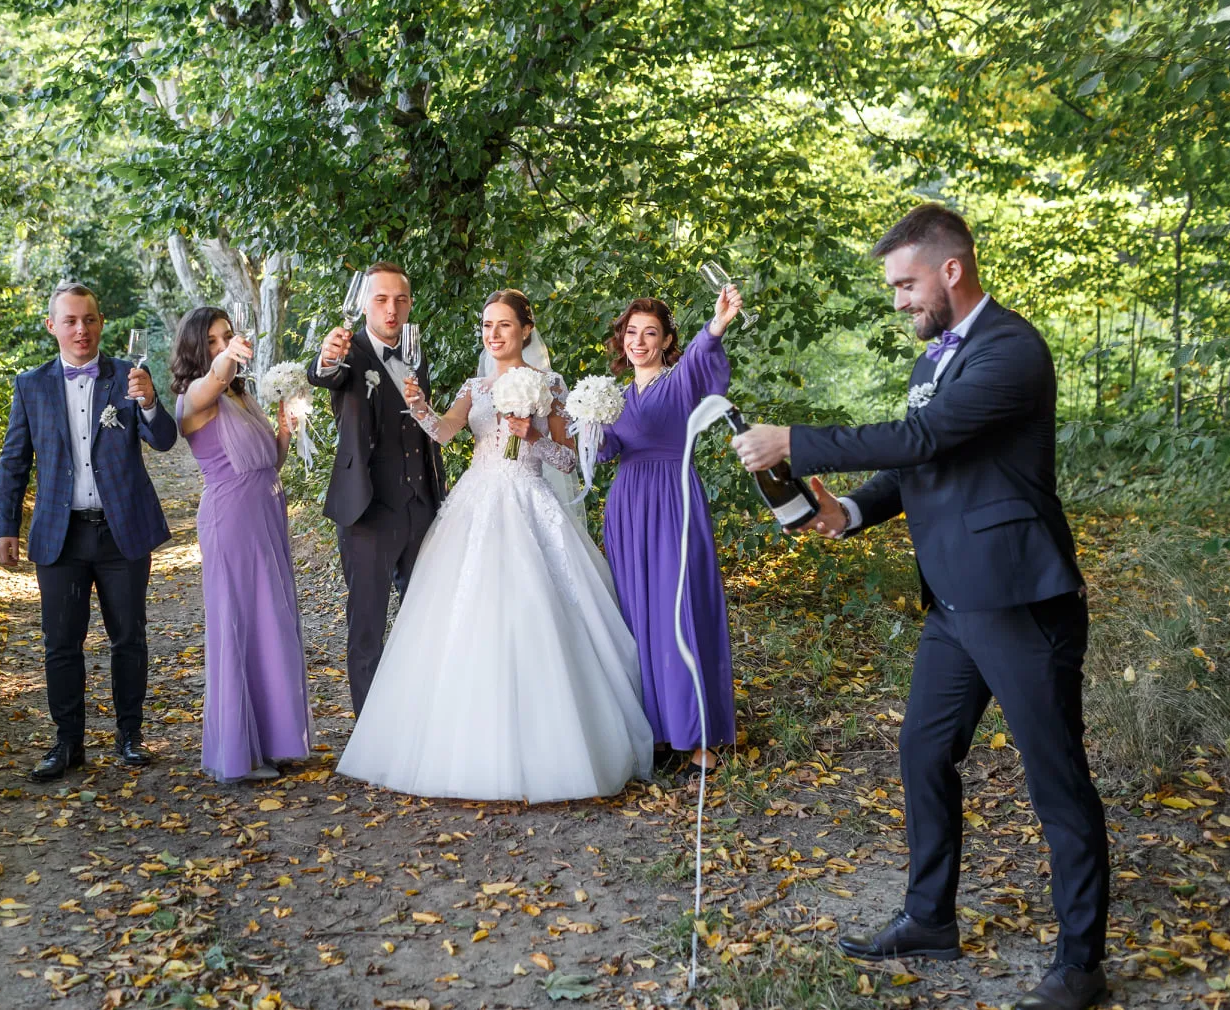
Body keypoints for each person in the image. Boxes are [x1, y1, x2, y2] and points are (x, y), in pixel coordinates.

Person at [732, 204, 1108, 1010]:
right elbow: (916, 466)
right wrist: (849, 511)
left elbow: (923, 439)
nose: (898, 300)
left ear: (951, 269)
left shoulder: (1010, 349)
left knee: (1056, 781)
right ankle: (929, 918)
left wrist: (794, 439)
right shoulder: (935, 359)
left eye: (905, 284)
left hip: (1019, 600)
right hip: (953, 604)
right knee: (923, 752)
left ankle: (1080, 964)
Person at [335, 289, 654, 802]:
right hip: (475, 503)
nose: (494, 334)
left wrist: (532, 437)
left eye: (504, 324)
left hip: (530, 500)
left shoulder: (551, 384)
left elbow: (567, 460)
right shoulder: (474, 386)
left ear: (526, 330)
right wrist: (420, 408)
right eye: (487, 325)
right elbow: (445, 433)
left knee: (536, 612)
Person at [0, 282, 178, 781]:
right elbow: (14, 460)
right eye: (71, 321)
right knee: (60, 642)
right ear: (51, 326)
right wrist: (6, 526)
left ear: (101, 323)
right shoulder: (30, 385)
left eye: (90, 319)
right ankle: (68, 742)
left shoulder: (128, 376)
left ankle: (130, 735)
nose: (82, 329)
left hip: (122, 532)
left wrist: (149, 402)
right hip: (60, 535)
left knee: (129, 637)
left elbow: (164, 440)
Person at [597, 291, 746, 778]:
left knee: (679, 608)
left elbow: (703, 358)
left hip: (673, 498)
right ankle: (655, 730)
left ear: (665, 341)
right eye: (632, 332)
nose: (639, 341)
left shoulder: (679, 381)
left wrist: (717, 323)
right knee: (636, 613)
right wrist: (588, 428)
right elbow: (605, 451)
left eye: (651, 333)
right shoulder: (615, 396)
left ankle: (698, 733)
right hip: (628, 505)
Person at [170, 306, 313, 783]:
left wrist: (285, 428)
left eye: (227, 336)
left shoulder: (241, 396)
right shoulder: (196, 395)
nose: (222, 345)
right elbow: (214, 376)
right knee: (239, 626)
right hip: (230, 520)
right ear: (197, 349)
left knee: (273, 623)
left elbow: (269, 460)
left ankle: (274, 741)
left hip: (266, 513)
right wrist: (227, 357)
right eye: (212, 340)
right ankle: (238, 753)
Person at [307, 262, 446, 714]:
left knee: (425, 620)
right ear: (365, 304)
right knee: (366, 627)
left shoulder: (415, 353)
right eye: (381, 299)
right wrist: (327, 356)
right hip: (365, 509)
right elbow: (324, 373)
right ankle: (370, 730)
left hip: (421, 506)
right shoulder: (348, 352)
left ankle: (417, 718)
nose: (392, 309)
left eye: (400, 300)